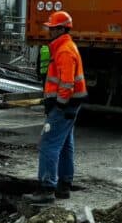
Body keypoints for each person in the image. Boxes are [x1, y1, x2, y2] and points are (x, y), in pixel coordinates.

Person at [25, 10, 86, 204]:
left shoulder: (65, 50)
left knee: (48, 144)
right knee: (66, 144)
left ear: (61, 29)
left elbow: (66, 83)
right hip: (71, 105)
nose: (49, 32)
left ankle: (46, 187)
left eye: (52, 28)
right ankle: (64, 186)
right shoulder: (65, 47)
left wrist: (58, 104)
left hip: (63, 106)